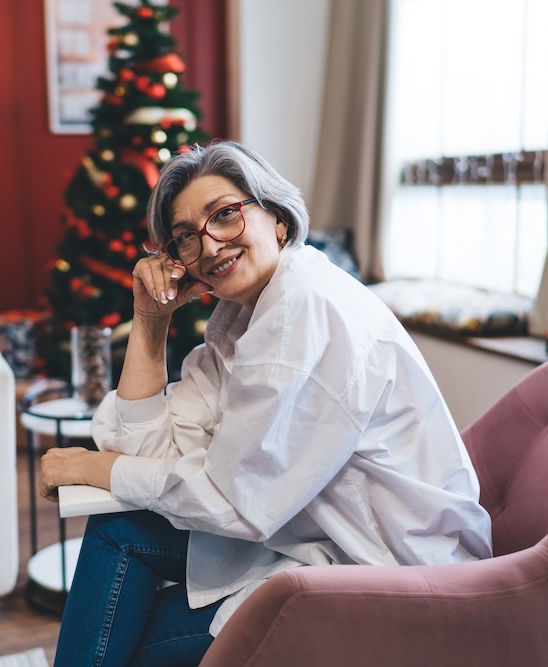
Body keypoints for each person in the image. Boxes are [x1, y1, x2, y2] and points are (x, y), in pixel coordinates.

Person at [40, 140, 492, 666]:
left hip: (388, 571)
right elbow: (149, 444)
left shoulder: (303, 315)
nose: (209, 247)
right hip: (310, 535)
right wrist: (150, 319)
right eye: (186, 237)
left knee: (128, 644)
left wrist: (93, 467)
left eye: (225, 215)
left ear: (277, 218)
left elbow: (232, 503)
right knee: (117, 534)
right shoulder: (245, 316)